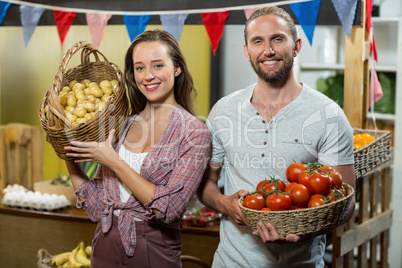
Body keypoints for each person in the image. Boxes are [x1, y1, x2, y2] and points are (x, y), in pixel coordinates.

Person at [197, 6, 355, 268]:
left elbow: (346, 204)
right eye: (257, 41)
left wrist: (306, 231)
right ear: (247, 51)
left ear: (296, 46)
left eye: (278, 39)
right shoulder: (224, 110)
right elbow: (206, 184)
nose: (268, 50)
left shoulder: (328, 115)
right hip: (231, 262)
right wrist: (225, 203)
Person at [63, 29, 211, 267]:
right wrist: (66, 151)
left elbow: (169, 208)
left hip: (153, 249)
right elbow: (96, 206)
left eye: (158, 65)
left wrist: (113, 161)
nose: (148, 76)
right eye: (139, 68)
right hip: (105, 246)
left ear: (177, 68)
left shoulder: (194, 132)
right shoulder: (121, 125)